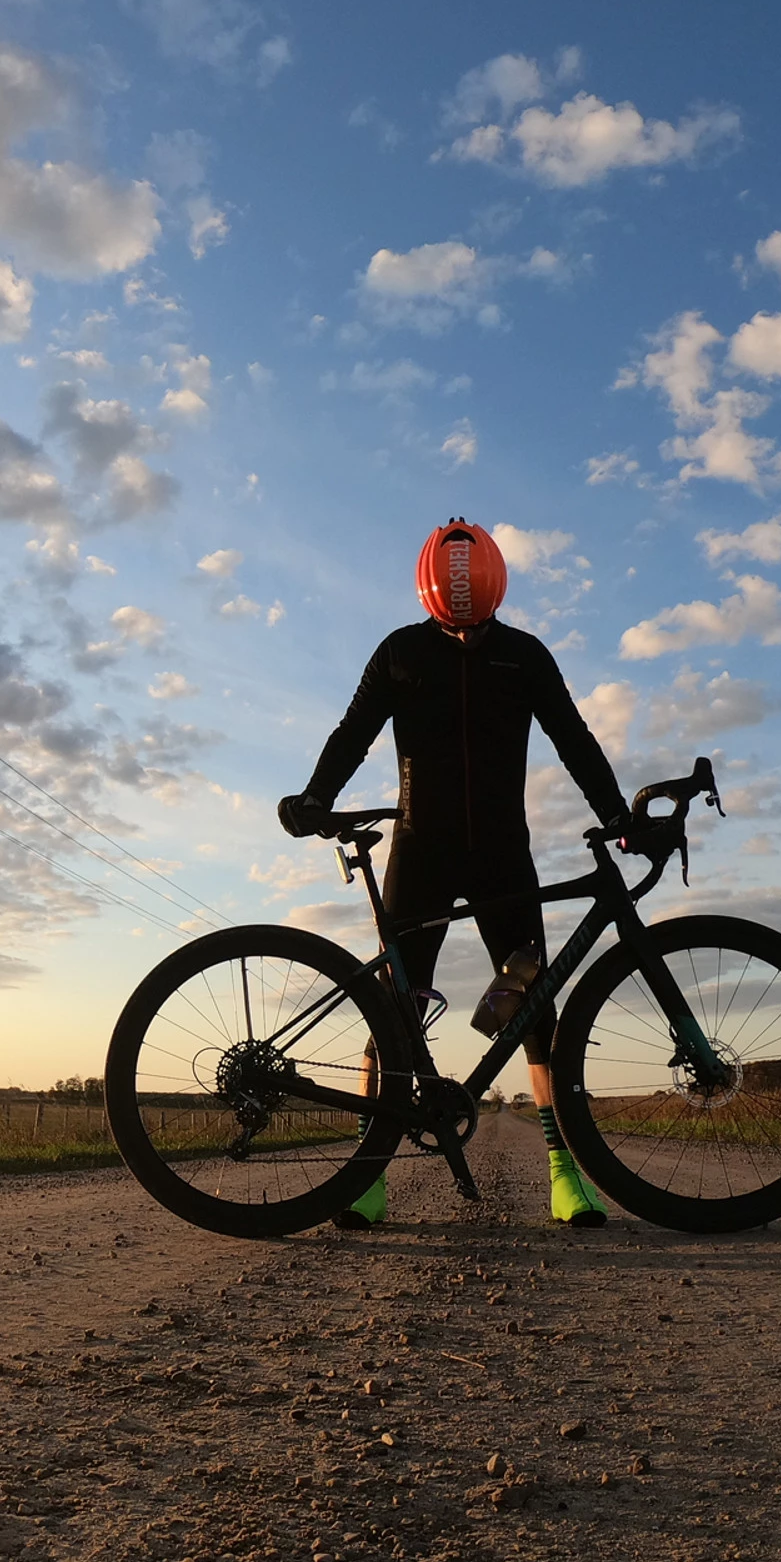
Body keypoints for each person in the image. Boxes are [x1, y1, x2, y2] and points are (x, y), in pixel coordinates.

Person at [278, 519, 633, 1228]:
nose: (467, 636)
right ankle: (369, 1175)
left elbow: (573, 736)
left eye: (476, 623)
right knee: (395, 1010)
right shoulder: (402, 652)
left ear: (496, 593)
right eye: (454, 623)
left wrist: (616, 813)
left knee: (535, 1009)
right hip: (423, 848)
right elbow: (354, 730)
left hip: (503, 851)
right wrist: (317, 795)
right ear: (433, 601)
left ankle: (566, 1175)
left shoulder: (525, 655)